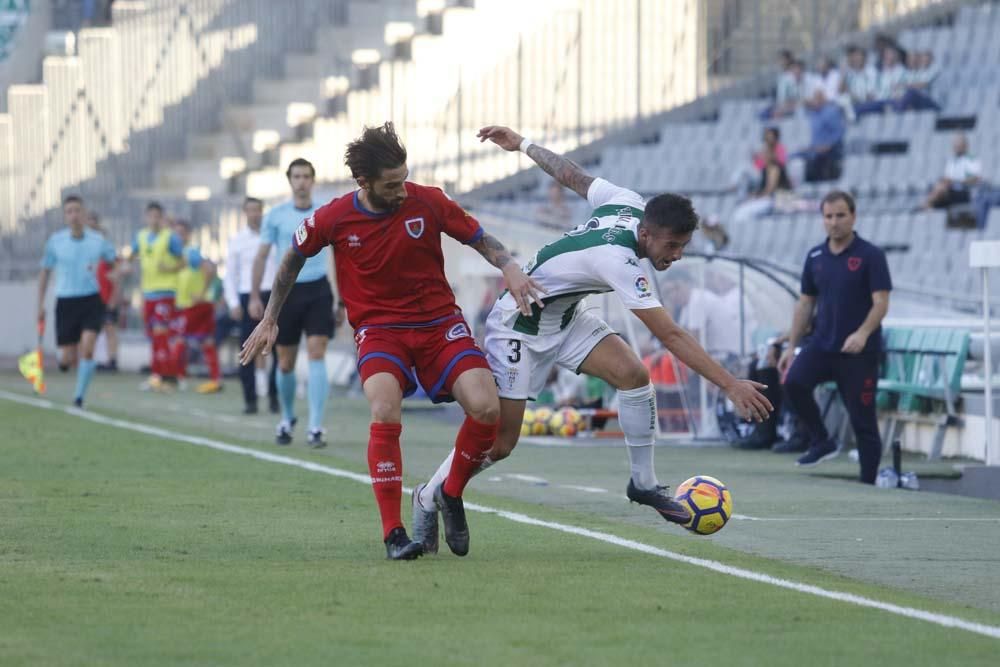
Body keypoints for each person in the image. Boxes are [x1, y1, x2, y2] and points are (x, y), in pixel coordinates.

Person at [413, 124, 773, 550]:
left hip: (563, 316)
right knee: (502, 443)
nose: (676, 256)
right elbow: (671, 335)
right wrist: (730, 384)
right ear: (646, 234)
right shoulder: (619, 260)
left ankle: (644, 484)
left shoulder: (627, 202)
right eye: (672, 246)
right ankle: (429, 495)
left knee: (633, 375)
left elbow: (573, 176)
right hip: (520, 324)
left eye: (683, 247)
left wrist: (524, 144)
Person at [240, 122, 541, 560]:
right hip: (380, 330)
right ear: (364, 183)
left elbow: (478, 236)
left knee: (487, 408)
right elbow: (291, 259)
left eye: (404, 178)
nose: (402, 189)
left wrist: (509, 266)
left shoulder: (428, 200)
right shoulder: (335, 217)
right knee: (383, 407)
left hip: (439, 323)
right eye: (391, 184)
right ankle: (394, 534)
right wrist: (270, 317)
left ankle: (450, 492)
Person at [777, 191, 891, 484]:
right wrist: (791, 347)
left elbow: (881, 302)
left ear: (853, 216)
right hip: (822, 345)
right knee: (793, 382)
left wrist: (863, 333)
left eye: (840, 215)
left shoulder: (871, 255)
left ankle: (868, 482)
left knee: (862, 420)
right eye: (828, 216)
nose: (834, 222)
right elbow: (805, 303)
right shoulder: (815, 256)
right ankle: (821, 440)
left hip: (858, 352)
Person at [250, 159, 335, 448]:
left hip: (318, 289)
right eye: (296, 176)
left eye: (306, 176)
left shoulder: (325, 213)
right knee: (285, 362)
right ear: (289, 180)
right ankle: (287, 417)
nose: (301, 181)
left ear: (313, 180)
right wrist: (254, 295)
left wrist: (345, 299)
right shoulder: (275, 215)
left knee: (316, 352)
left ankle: (315, 426)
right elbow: (262, 256)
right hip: (287, 293)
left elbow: (344, 254)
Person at [37, 195, 116, 407]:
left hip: (91, 300)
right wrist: (40, 305)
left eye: (77, 210)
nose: (74, 215)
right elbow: (45, 271)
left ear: (84, 213)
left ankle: (79, 397)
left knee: (88, 347)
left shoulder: (97, 241)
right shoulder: (56, 241)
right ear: (65, 216)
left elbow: (115, 262)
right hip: (65, 301)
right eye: (69, 211)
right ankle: (64, 363)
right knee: (67, 357)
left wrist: (119, 274)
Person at [224, 196, 279, 414]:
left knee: (278, 348)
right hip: (248, 296)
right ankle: (250, 399)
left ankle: (275, 397)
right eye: (250, 210)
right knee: (248, 349)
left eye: (258, 209)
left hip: (272, 296)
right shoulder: (237, 240)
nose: (255, 214)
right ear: (245, 213)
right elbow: (231, 274)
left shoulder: (272, 239)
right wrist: (234, 302)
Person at [132, 201, 183, 391]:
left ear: (161, 218)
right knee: (154, 335)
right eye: (150, 215)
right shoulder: (141, 236)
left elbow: (183, 262)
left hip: (165, 292)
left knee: (161, 333)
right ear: (146, 217)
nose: (153, 219)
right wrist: (125, 265)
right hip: (148, 293)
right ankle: (160, 374)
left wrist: (169, 268)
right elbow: (132, 255)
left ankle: (166, 375)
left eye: (157, 216)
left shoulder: (170, 238)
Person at [171, 219, 222, 394]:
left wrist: (202, 292)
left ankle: (179, 377)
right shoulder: (177, 255)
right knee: (206, 341)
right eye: (176, 233)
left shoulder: (189, 252)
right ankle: (215, 378)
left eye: (181, 233)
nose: (178, 236)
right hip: (194, 305)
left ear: (187, 235)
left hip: (194, 306)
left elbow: (210, 269)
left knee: (180, 340)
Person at [85, 210, 121, 372]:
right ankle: (89, 360)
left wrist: (114, 297)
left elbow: (117, 274)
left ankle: (112, 360)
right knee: (89, 331)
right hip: (90, 298)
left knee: (109, 328)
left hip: (106, 298)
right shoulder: (84, 252)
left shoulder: (107, 252)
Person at [919, 133, 981, 210]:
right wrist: (947, 181)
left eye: (958, 144)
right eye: (955, 144)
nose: (956, 147)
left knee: (940, 189)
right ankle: (928, 208)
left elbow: (975, 179)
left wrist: (956, 181)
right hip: (950, 192)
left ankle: (925, 205)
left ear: (965, 145)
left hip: (964, 192)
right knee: (939, 188)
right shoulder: (952, 161)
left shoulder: (971, 160)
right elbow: (947, 179)